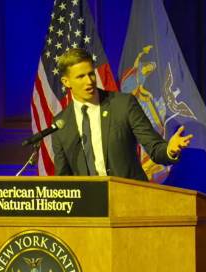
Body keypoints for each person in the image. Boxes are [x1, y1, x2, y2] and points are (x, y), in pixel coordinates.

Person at [51, 48, 193, 181]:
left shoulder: (123, 104)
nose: (89, 81)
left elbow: (154, 147)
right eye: (81, 77)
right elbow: (64, 177)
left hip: (129, 197)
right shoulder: (61, 123)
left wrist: (169, 150)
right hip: (89, 202)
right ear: (66, 82)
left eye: (91, 74)